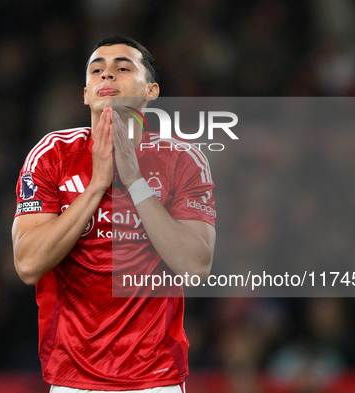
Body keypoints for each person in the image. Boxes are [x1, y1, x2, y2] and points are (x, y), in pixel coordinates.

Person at [12, 35, 216, 393]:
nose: (107, 76)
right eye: (97, 70)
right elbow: (28, 265)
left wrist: (134, 180)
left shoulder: (182, 160)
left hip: (156, 378)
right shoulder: (51, 155)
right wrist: (96, 186)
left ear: (151, 90)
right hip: (72, 377)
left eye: (122, 68)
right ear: (86, 93)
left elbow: (195, 266)